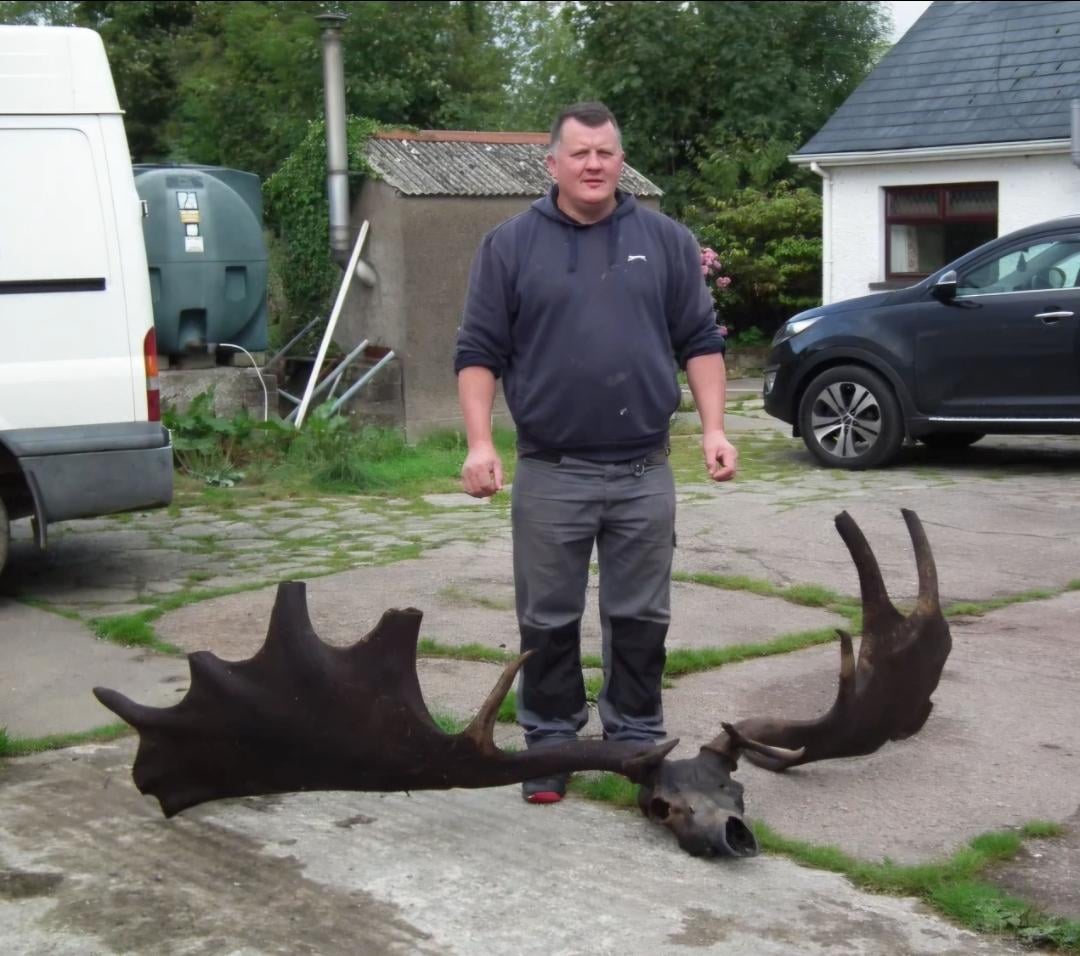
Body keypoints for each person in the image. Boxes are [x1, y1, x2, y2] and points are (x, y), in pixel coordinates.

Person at [453, 102, 736, 804]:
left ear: (620, 160)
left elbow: (700, 340)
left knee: (641, 615)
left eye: (605, 153)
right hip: (552, 471)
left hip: (645, 469)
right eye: (579, 153)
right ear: (552, 163)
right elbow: (478, 352)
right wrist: (481, 442)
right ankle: (548, 746)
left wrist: (714, 429)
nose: (593, 165)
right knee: (547, 618)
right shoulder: (510, 246)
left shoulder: (667, 242)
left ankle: (637, 740)